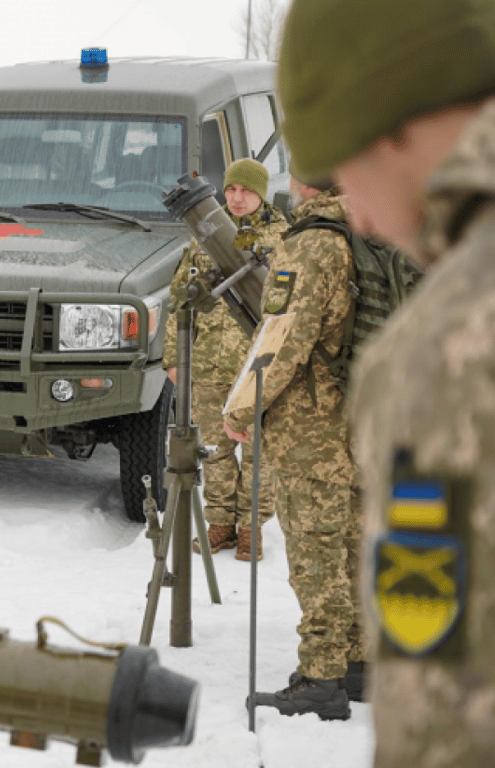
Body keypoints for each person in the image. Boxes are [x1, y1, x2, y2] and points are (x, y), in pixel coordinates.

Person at [277, 0, 495, 763]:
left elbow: (444, 723)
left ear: (391, 124)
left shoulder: (447, 350)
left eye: (343, 169)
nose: (360, 218)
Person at [222, 174, 364, 721]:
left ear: (303, 182)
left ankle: (322, 679)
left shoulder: (309, 244)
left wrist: (240, 408)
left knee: (317, 557)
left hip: (313, 435)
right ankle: (359, 661)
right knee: (353, 545)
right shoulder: (369, 232)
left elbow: (282, 339)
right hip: (364, 420)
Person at [165, 158, 287, 561]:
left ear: (261, 194)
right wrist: (173, 356)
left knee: (257, 451)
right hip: (206, 364)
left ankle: (252, 528)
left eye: (246, 191)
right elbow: (178, 297)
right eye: (231, 190)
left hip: (254, 365)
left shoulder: (282, 238)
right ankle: (220, 525)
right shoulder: (205, 235)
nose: (237, 198)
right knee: (214, 449)